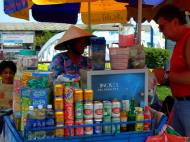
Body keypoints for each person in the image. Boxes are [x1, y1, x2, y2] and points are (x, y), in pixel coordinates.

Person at [154, 4, 190, 136]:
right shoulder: (181, 40)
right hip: (180, 102)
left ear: (175, 22)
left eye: (162, 27)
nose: (161, 31)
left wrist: (166, 76)